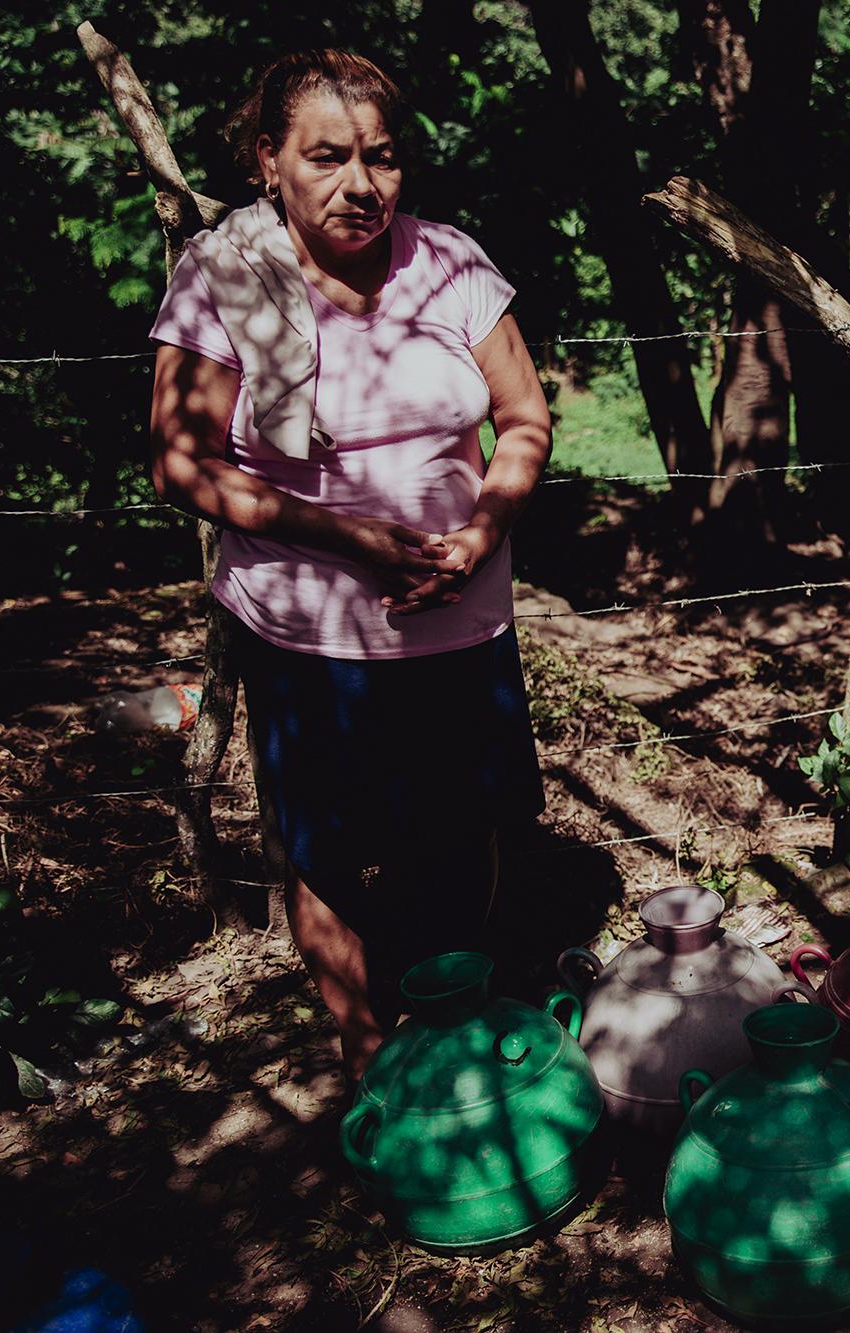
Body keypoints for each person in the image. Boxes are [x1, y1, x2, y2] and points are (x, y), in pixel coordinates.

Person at [146, 50, 550, 1077]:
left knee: (464, 827)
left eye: (380, 157)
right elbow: (179, 465)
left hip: (461, 620)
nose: (358, 183)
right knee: (327, 849)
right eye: (325, 157)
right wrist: (350, 537)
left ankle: (458, 1024)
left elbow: (524, 419)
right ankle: (372, 1062)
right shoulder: (223, 280)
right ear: (266, 162)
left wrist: (482, 527)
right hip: (306, 633)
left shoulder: (452, 265)